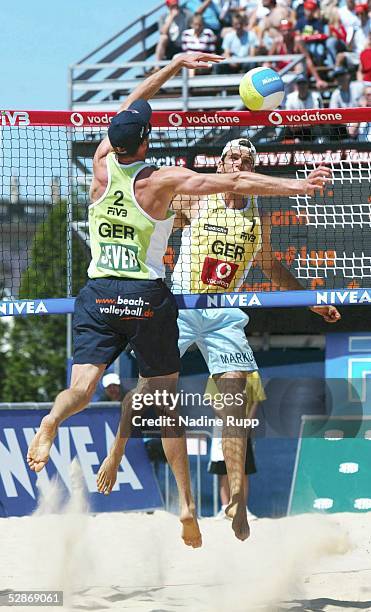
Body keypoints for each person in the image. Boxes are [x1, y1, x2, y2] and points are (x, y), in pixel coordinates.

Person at [96, 137, 340, 542]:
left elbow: (271, 268)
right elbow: (149, 219)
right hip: (183, 304)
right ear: (222, 162)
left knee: (236, 397)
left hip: (224, 314)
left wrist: (313, 301)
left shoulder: (254, 219)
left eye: (245, 159)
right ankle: (116, 449)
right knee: (147, 393)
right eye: (233, 157)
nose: (238, 163)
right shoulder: (194, 200)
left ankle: (238, 496)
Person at [207, 370, 266, 521]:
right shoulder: (215, 371)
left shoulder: (252, 372)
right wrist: (228, 420)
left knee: (243, 470)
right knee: (223, 470)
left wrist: (246, 424)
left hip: (243, 426)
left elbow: (255, 400)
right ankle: (225, 508)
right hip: (222, 426)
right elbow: (212, 400)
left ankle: (242, 508)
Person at [155, 0, 192, 66]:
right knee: (163, 38)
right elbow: (163, 32)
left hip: (183, 44)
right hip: (170, 45)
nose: (175, 7)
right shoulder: (163, 17)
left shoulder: (186, 14)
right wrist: (171, 17)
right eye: (172, 6)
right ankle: (157, 66)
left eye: (176, 5)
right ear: (168, 6)